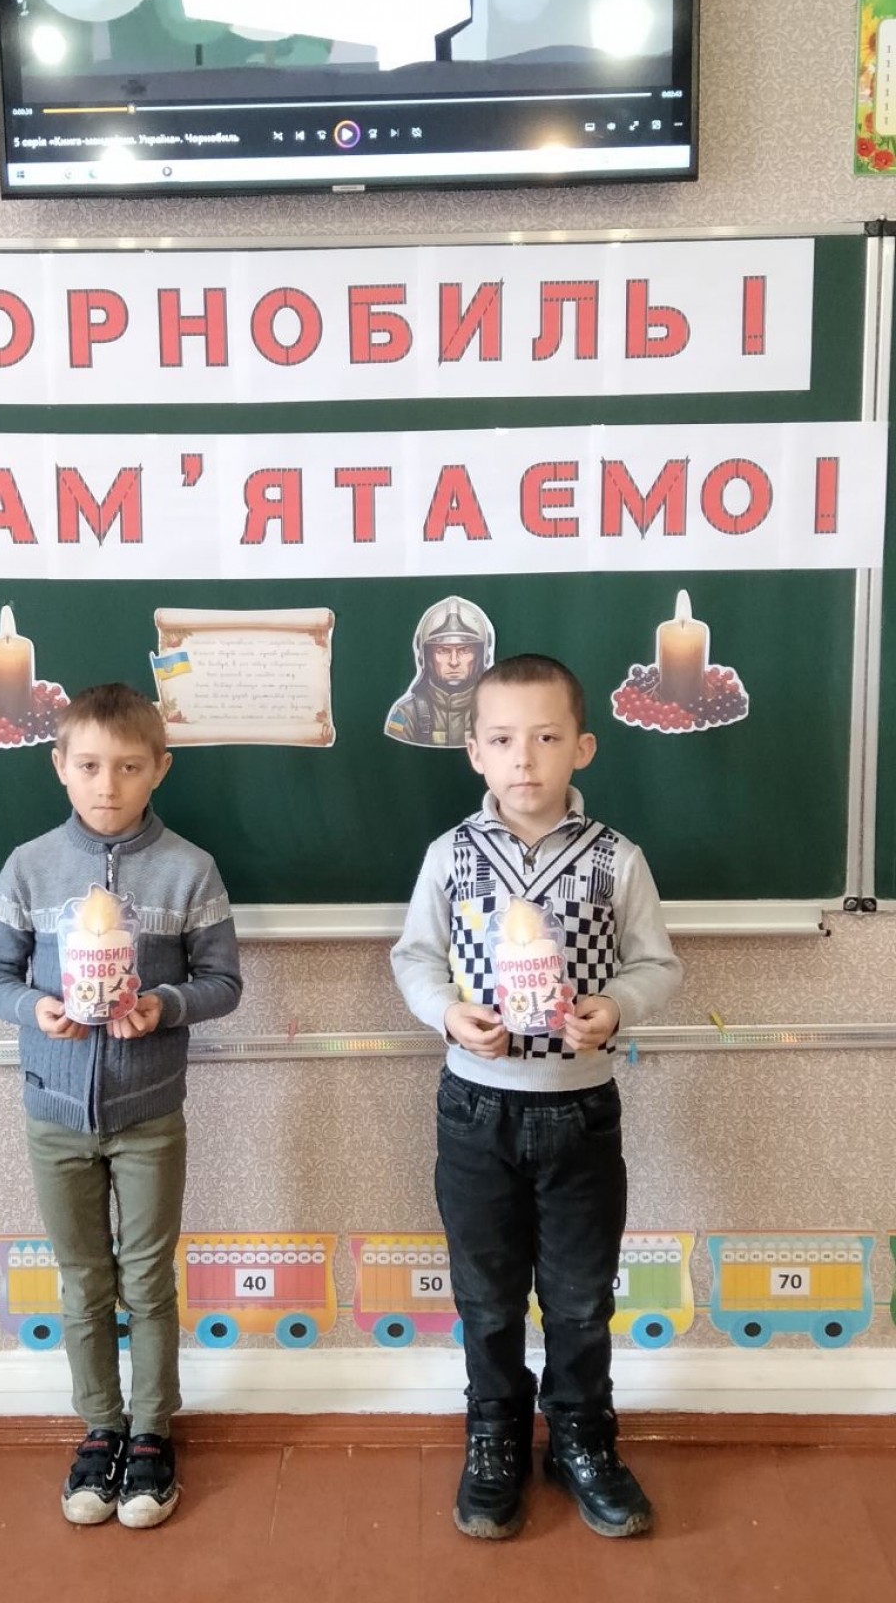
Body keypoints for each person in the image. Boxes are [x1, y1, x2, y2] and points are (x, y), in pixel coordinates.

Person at [390, 653, 681, 1540]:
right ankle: (496, 1435)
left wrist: (616, 1007)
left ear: (581, 748)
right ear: (474, 751)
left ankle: (582, 1436)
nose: (525, 758)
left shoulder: (615, 860)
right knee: (486, 1296)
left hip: (580, 1108)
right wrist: (447, 1014)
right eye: (505, 740)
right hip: (476, 1109)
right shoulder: (451, 856)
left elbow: (657, 963)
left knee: (581, 1298)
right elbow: (413, 957)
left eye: (547, 738)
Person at [0, 682, 241, 1529]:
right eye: (88, 765)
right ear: (59, 766)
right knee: (84, 1277)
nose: (107, 784)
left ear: (159, 768)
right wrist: (36, 1009)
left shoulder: (190, 869)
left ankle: (154, 1432)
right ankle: (100, 1427)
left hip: (150, 1111)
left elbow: (224, 982)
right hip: (53, 1111)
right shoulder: (29, 867)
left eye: (128, 767)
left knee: (148, 1278)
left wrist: (164, 1005)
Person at [385, 595, 494, 747]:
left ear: (482, 656)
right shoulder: (407, 714)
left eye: (465, 650)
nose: (454, 662)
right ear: (425, 657)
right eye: (442, 650)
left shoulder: (497, 710)